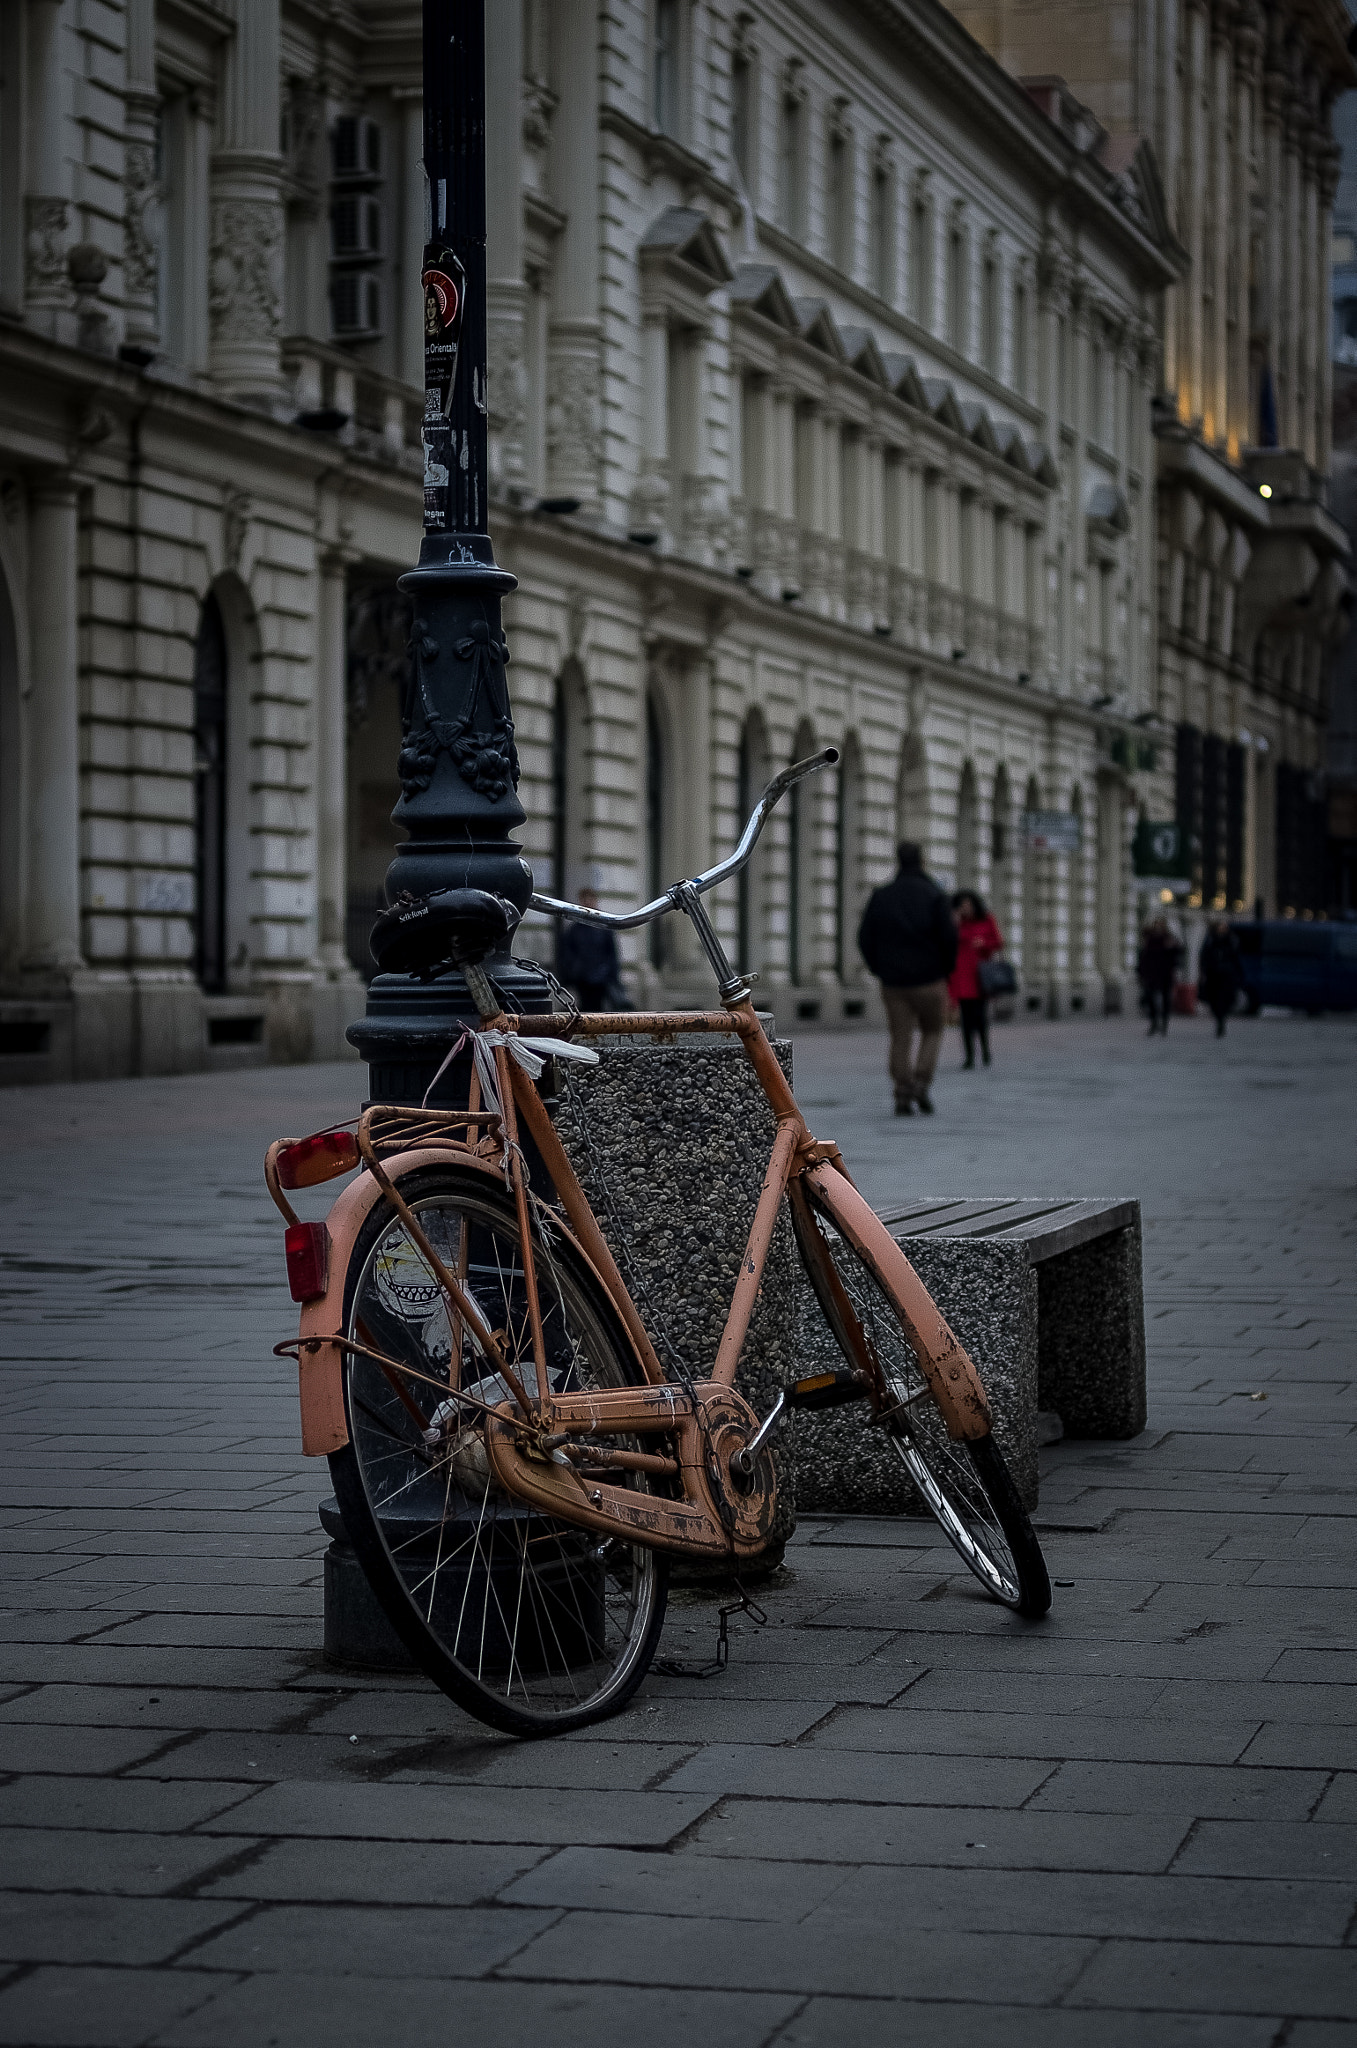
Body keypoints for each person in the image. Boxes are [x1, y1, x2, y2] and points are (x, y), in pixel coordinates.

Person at [858, 841, 959, 1115]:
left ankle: (902, 1090)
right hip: (929, 979)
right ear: (922, 861)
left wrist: (879, 968)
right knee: (933, 1031)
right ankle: (921, 1083)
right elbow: (950, 938)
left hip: (894, 982)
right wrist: (945, 970)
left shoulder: (882, 895)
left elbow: (865, 937)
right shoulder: (935, 896)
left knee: (900, 1036)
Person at [948, 891, 1004, 1070]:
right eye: (962, 905)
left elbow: (998, 942)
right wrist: (954, 923)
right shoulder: (955, 923)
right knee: (965, 1020)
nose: (966, 908)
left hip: (981, 976)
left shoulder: (986, 919)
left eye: (968, 904)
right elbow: (945, 943)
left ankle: (986, 1050)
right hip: (961, 976)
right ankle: (969, 1056)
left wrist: (984, 943)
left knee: (980, 1018)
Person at [558, 889, 621, 1011]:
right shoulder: (574, 930)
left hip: (600, 979)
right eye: (584, 900)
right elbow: (567, 954)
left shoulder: (604, 928)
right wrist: (573, 972)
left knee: (598, 1009)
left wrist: (611, 975)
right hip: (582, 979)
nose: (587, 903)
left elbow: (611, 954)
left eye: (590, 899)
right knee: (585, 1008)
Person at [1137, 915, 1183, 1036]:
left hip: (1165, 974)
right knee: (1151, 998)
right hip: (1151, 974)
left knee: (1166, 999)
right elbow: (1143, 957)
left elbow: (1176, 956)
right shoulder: (1149, 939)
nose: (1157, 927)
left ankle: (1164, 1023)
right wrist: (1141, 973)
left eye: (1160, 925)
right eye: (1155, 925)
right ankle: (1154, 1022)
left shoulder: (1168, 939)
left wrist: (1173, 947)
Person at [1198, 917, 1242, 1038]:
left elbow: (1236, 958)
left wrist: (1238, 973)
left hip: (1226, 975)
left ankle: (1221, 1021)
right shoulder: (1211, 940)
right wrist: (1203, 972)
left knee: (1225, 999)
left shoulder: (1231, 940)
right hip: (1213, 974)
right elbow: (1204, 956)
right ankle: (1219, 1017)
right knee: (1213, 1000)